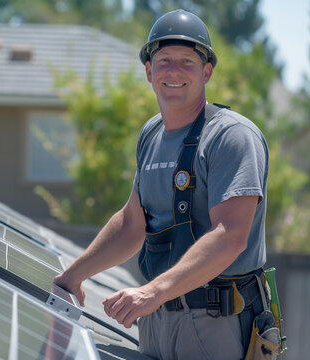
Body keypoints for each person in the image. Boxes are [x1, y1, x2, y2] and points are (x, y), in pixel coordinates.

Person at [55, 9, 270, 360]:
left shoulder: (232, 135)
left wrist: (151, 292)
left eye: (187, 61)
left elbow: (230, 235)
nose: (174, 71)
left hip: (217, 322)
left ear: (207, 71)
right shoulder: (151, 133)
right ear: (149, 71)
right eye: (164, 60)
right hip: (155, 318)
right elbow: (132, 223)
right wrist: (71, 278)